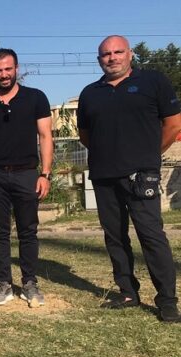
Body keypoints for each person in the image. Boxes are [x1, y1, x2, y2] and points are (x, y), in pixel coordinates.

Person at [78, 35, 181, 323]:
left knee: (151, 235)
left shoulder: (153, 81)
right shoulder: (90, 93)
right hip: (103, 176)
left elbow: (173, 124)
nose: (112, 58)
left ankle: (167, 300)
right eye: (106, 54)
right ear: (99, 59)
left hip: (142, 175)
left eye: (118, 52)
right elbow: (86, 136)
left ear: (130, 54)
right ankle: (127, 292)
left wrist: (148, 154)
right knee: (114, 236)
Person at [0, 48, 53, 307]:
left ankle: (29, 283)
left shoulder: (35, 98)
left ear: (17, 69)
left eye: (8, 69)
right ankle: (4, 284)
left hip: (27, 173)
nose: (4, 74)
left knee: (28, 231)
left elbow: (45, 136)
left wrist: (45, 174)